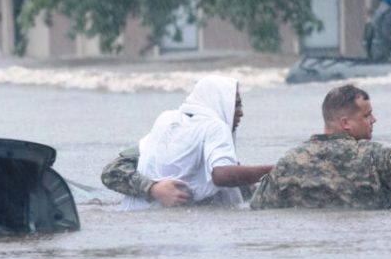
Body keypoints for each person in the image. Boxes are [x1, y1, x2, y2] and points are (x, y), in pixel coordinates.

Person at [250, 84, 391, 210]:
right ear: (345, 123)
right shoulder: (375, 157)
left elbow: (259, 209)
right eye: (367, 115)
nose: (374, 120)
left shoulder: (289, 162)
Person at [101, 75, 272, 209]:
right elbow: (112, 171)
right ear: (220, 103)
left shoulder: (177, 123)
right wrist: (153, 189)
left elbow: (231, 183)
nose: (240, 113)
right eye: (236, 105)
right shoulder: (194, 127)